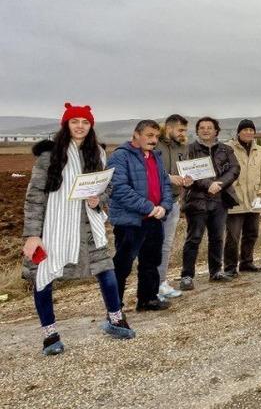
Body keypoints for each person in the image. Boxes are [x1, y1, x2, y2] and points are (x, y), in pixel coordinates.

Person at [22, 103, 135, 356]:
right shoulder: (49, 155)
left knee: (105, 269)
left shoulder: (98, 153)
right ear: (66, 125)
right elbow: (35, 197)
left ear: (91, 126)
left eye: (85, 122)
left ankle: (116, 320)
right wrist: (32, 235)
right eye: (75, 122)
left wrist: (99, 199)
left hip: (88, 224)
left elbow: (106, 187)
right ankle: (50, 336)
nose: (80, 126)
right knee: (44, 276)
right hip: (55, 226)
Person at [108, 120, 173, 312]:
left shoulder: (156, 157)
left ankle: (147, 299)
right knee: (122, 264)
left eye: (156, 137)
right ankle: (115, 307)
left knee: (151, 261)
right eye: (149, 135)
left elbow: (165, 185)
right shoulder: (120, 156)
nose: (153, 140)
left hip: (154, 219)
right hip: (130, 221)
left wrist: (164, 206)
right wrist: (149, 208)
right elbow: (119, 189)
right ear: (136, 134)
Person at [180, 117, 240, 290]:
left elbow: (234, 169)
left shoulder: (226, 149)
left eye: (209, 127)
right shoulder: (189, 149)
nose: (205, 130)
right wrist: (209, 185)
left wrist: (219, 184)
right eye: (202, 128)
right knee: (194, 238)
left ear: (216, 131)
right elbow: (187, 172)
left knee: (217, 237)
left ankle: (215, 272)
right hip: (197, 200)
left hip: (220, 200)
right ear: (197, 131)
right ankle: (186, 275)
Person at [224, 119, 261, 276]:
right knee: (233, 236)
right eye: (245, 130)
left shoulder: (260, 150)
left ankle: (247, 262)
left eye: (251, 130)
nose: (249, 132)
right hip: (235, 197)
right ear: (238, 132)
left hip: (255, 197)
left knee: (252, 233)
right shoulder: (227, 148)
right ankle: (230, 267)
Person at [154, 113, 191, 300]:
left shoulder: (183, 147)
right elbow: (149, 170)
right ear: (169, 128)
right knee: (152, 244)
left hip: (174, 200)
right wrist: (169, 178)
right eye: (181, 129)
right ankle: (150, 285)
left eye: (185, 130)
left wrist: (188, 178)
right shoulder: (154, 144)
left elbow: (184, 169)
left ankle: (161, 282)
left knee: (166, 245)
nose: (183, 133)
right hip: (154, 203)